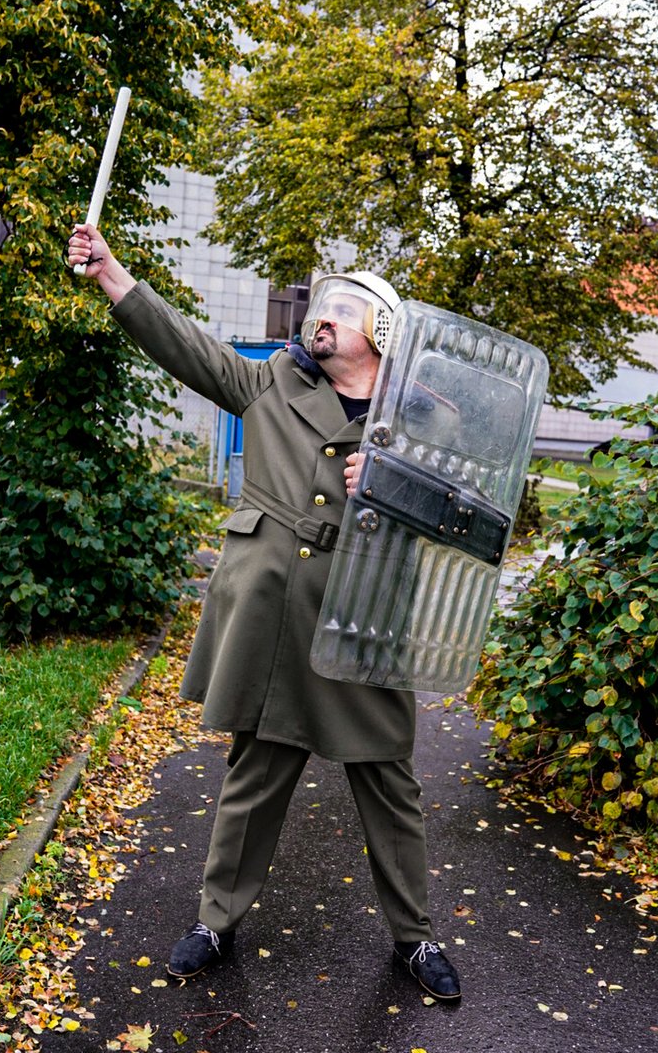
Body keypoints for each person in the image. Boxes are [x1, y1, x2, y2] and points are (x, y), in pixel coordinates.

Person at [66, 223, 462, 1001]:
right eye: (321, 307)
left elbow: (467, 514)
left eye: (340, 311)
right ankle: (216, 920)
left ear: (379, 332)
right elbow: (188, 348)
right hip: (275, 616)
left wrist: (393, 483)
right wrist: (114, 275)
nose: (321, 318)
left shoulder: (425, 418)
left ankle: (415, 937)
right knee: (255, 774)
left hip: (362, 619)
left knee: (388, 780)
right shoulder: (274, 382)